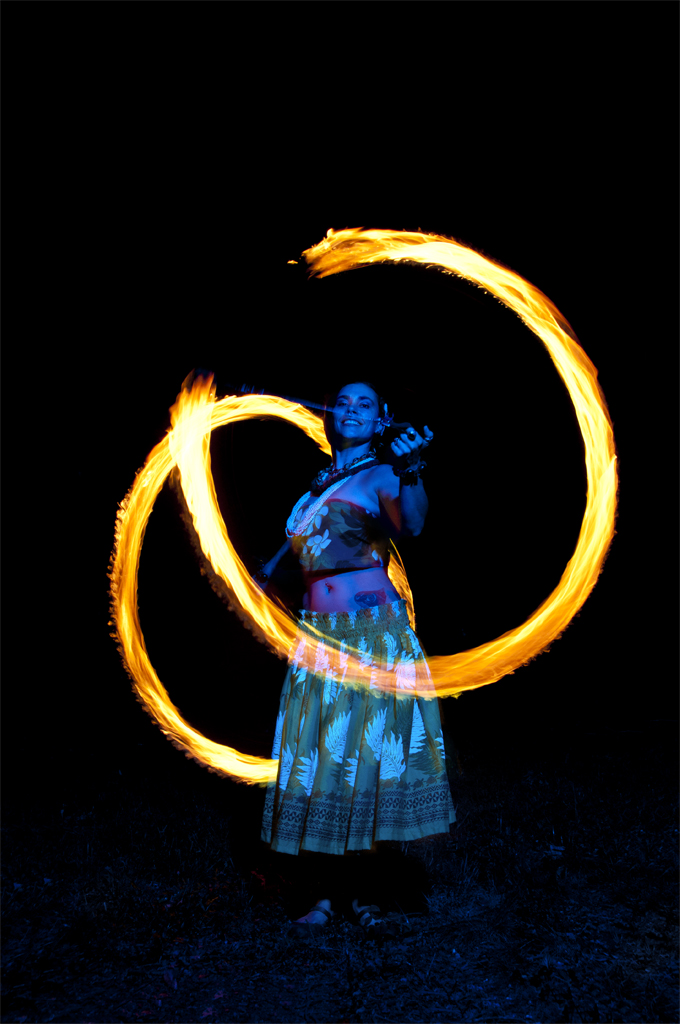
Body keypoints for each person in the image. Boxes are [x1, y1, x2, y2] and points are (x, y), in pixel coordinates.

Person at [254, 382, 456, 937]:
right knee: (323, 762)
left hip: (369, 638)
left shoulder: (385, 474)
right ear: (329, 416)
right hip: (318, 640)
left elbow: (412, 525)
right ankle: (323, 895)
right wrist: (268, 578)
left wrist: (412, 470)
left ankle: (368, 893)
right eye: (343, 401)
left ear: (382, 418)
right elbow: (316, 561)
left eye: (365, 403)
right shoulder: (317, 486)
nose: (351, 409)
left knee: (364, 762)